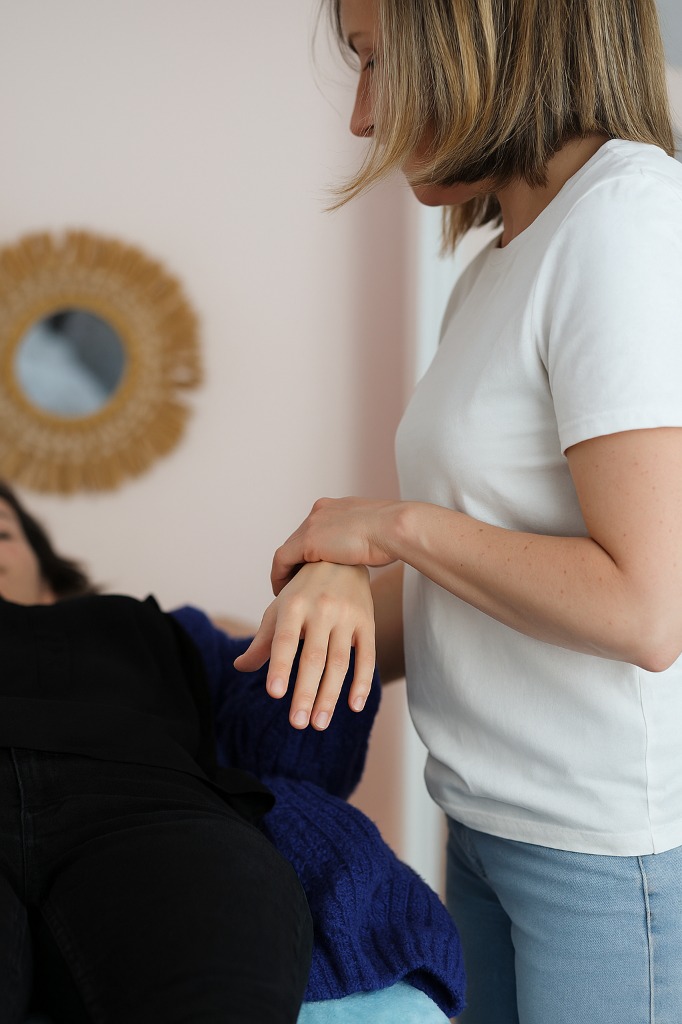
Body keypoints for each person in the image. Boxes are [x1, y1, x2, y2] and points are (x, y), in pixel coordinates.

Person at [235, 2, 682, 1022]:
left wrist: (390, 529)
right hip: (487, 825)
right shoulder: (494, 266)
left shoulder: (625, 222)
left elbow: (647, 609)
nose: (361, 117)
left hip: (605, 857)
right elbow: (481, 585)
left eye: (378, 63)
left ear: (490, 40)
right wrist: (325, 600)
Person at [0, 480, 313, 1024]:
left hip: (150, 806)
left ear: (44, 562)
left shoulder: (152, 624)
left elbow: (282, 669)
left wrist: (328, 574)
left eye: (1, 532)